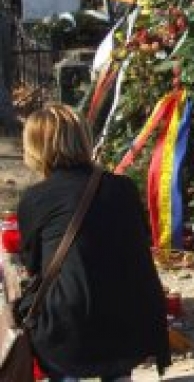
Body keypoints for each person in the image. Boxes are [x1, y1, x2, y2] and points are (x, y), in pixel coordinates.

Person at [16, 104, 170, 381]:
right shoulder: (123, 188)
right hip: (131, 319)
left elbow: (35, 265)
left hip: (68, 327)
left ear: (36, 147)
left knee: (50, 309)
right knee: (111, 307)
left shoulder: (35, 198)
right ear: (83, 138)